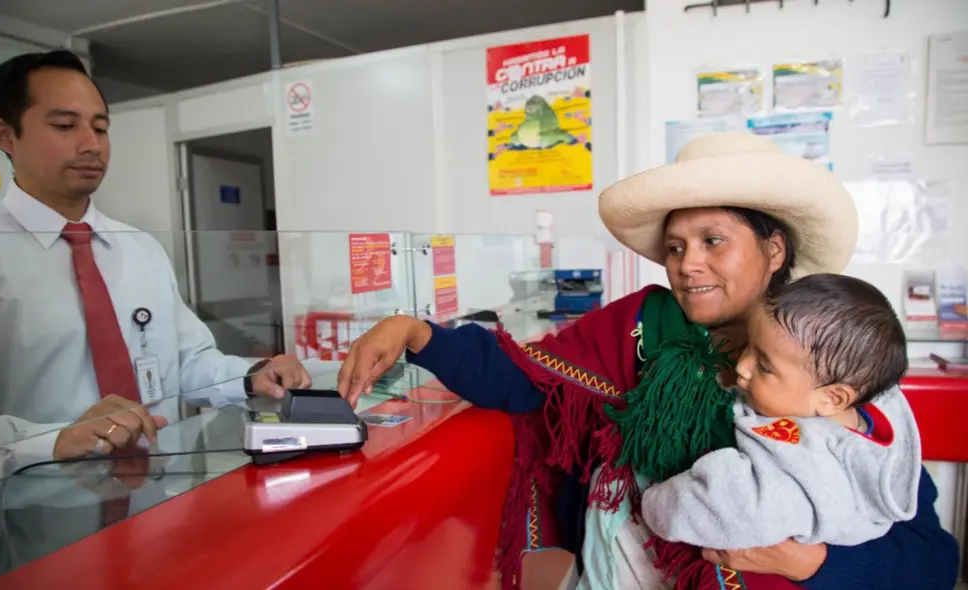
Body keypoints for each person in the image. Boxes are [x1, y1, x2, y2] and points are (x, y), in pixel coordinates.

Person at [338, 133, 960, 589]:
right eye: (675, 246)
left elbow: (930, 560)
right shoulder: (640, 324)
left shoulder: (837, 367)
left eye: (714, 241)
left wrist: (813, 563)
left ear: (773, 250)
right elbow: (527, 380)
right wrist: (418, 333)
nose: (688, 264)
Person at [0, 50, 311, 485]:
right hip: (33, 513)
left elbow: (187, 362)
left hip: (156, 498)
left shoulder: (139, 248)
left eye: (100, 128)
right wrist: (54, 441)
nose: (91, 144)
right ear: (4, 134)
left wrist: (251, 377)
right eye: (64, 125)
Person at [605, 274, 920, 589]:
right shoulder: (868, 408)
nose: (742, 366)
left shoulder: (798, 469)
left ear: (831, 397)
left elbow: (716, 506)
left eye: (764, 366)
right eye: (747, 347)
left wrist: (653, 502)